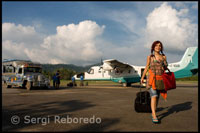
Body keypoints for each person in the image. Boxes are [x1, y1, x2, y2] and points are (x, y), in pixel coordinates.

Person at [140, 40, 168, 123]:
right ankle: (154, 115)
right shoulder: (150, 57)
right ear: (153, 47)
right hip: (152, 79)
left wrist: (164, 64)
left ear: (161, 47)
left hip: (160, 79)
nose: (158, 47)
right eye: (156, 45)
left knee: (157, 97)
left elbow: (165, 68)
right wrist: (142, 77)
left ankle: (153, 110)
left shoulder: (164, 57)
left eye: (159, 45)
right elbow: (146, 67)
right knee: (154, 96)